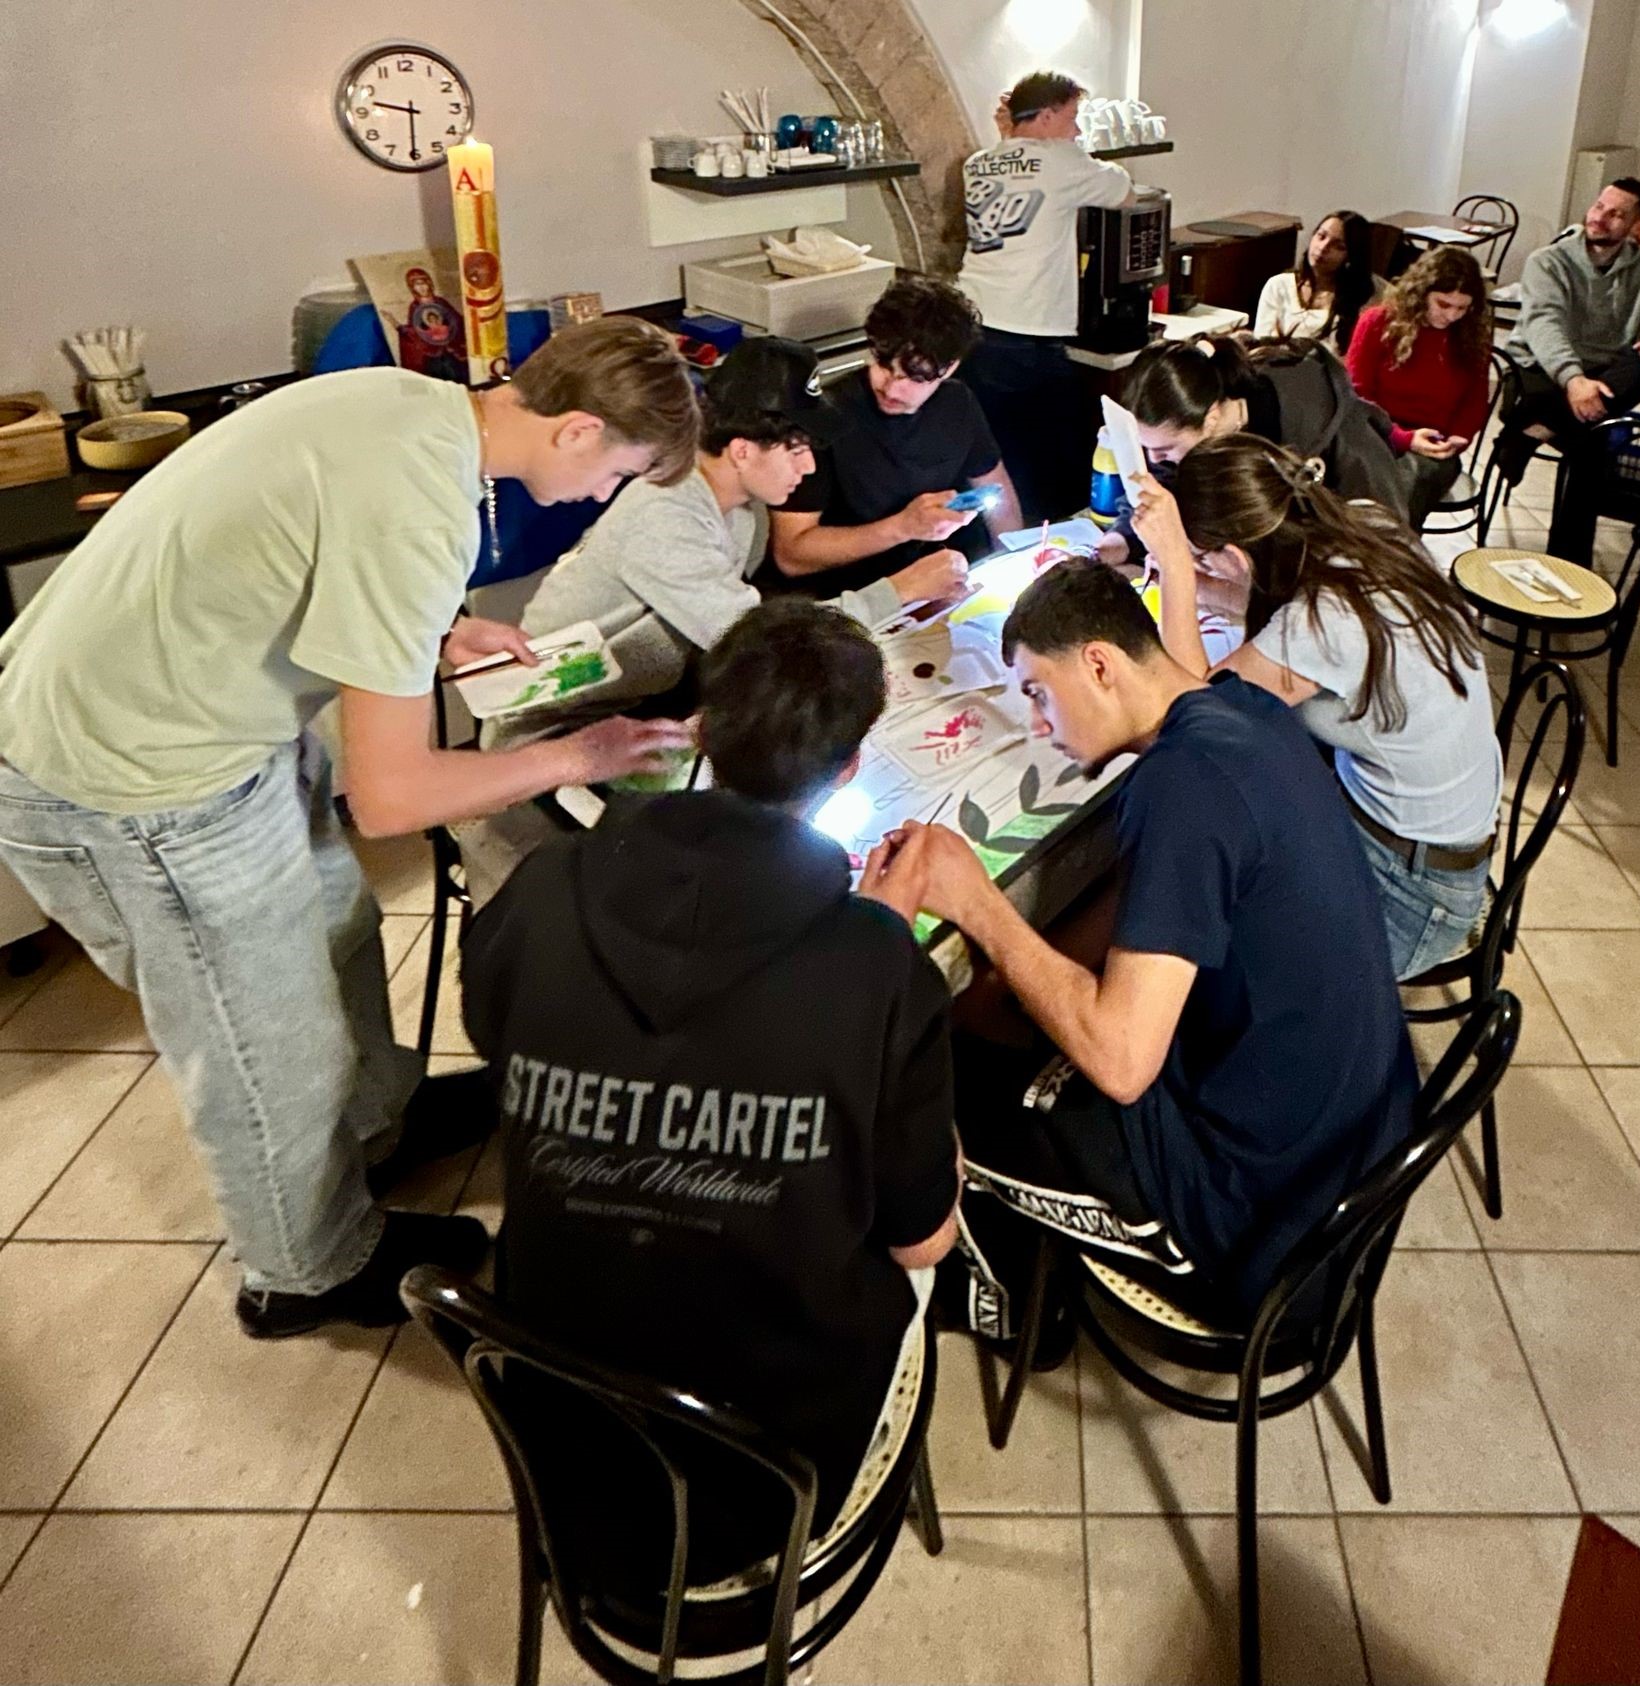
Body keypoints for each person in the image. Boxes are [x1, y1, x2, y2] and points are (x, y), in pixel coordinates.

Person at [0, 317, 699, 1339]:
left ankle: (379, 1122)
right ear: (579, 430)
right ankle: (305, 1271)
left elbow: (309, 542)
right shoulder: (421, 507)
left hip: (215, 724)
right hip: (136, 779)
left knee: (340, 927)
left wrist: (433, 632)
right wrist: (578, 755)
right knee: (262, 1039)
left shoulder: (419, 406)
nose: (604, 496)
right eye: (619, 473)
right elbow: (393, 800)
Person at [465, 596, 960, 1593]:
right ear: (849, 769)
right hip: (773, 1465)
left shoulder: (546, 884)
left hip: (555, 1426)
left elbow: (493, 1035)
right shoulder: (874, 964)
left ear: (702, 731)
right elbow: (921, 1241)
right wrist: (881, 941)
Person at [863, 560, 1417, 1332]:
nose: (1037, 724)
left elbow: (1122, 1064)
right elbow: (1142, 896)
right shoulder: (1240, 709)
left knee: (939, 1094)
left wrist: (980, 906)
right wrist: (1005, 979)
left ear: (1099, 664)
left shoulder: (1179, 788)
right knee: (1001, 1022)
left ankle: (1019, 1316)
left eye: (1037, 692)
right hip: (1354, 1142)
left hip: (1263, 1230)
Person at [457, 337, 971, 901]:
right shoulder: (665, 514)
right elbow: (771, 644)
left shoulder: (739, 510)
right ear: (743, 450)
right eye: (797, 448)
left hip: (642, 706)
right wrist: (898, 590)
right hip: (544, 745)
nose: (808, 466)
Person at [1131, 435, 1502, 981]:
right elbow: (1276, 602)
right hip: (1435, 837)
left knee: (1213, 933)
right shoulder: (1363, 523)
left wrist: (1177, 576)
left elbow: (1194, 717)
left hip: (1413, 891)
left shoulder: (1323, 622)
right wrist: (1198, 583)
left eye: (1204, 558)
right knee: (1243, 823)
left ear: (1235, 555)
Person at [767, 275, 1022, 598]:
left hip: (922, 589)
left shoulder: (957, 404)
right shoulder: (823, 418)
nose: (891, 388)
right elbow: (791, 555)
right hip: (836, 601)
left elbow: (999, 497)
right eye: (884, 365)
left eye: (914, 377)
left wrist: (1016, 562)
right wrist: (903, 526)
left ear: (949, 368)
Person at [957, 69, 1136, 520]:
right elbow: (1124, 191)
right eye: (1072, 118)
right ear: (1047, 115)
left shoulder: (975, 163)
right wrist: (1072, 152)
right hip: (1029, 334)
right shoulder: (1061, 160)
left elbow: (1017, 168)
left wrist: (1012, 135)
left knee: (992, 455)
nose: (1077, 131)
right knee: (1053, 462)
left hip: (972, 325)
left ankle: (995, 541)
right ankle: (1048, 542)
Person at [1496, 176, 1640, 561]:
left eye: (1616, 214)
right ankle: (1568, 565)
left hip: (1601, 382)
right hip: (1538, 373)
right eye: (1599, 206)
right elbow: (1544, 326)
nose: (1600, 218)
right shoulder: (1547, 261)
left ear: (1636, 224)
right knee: (1594, 443)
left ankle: (1529, 433)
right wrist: (1573, 379)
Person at [1094, 333, 1416, 570]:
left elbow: (1385, 548)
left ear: (1211, 419)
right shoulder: (1198, 423)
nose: (1153, 460)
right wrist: (1122, 540)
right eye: (1146, 448)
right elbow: (1166, 483)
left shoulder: (1328, 438)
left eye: (1164, 449)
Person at [1344, 244, 1496, 525]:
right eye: (1443, 304)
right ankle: (1388, 547)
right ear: (1421, 293)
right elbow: (1356, 397)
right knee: (1379, 480)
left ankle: (1389, 548)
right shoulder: (1377, 322)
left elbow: (1474, 402)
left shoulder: (1471, 335)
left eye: (1462, 308)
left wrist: (1459, 437)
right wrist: (1402, 438)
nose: (1452, 316)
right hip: (1375, 432)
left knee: (1412, 478)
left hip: (1434, 442)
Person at [1253, 210, 1375, 352]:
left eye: (1338, 246)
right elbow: (1261, 346)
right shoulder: (1279, 285)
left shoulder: (1364, 296)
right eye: (1321, 236)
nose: (1323, 248)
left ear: (1352, 256)